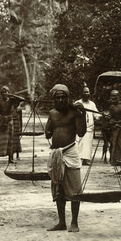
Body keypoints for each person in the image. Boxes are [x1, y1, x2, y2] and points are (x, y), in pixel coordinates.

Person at [45, 84, 87, 232]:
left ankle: (74, 222)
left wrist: (82, 114)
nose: (61, 100)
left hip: (70, 152)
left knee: (75, 189)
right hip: (57, 154)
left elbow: (81, 133)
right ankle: (61, 222)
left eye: (64, 97)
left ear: (68, 98)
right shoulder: (52, 113)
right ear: (54, 99)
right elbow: (48, 134)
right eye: (58, 97)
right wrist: (50, 127)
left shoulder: (74, 113)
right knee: (58, 189)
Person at [0, 86, 16, 164]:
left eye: (6, 91)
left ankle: (10, 158)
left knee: (10, 140)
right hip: (1, 121)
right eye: (3, 92)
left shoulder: (11, 101)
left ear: (9, 92)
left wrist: (12, 96)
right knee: (0, 140)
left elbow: (22, 99)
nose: (4, 93)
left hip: (10, 121)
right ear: (1, 94)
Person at [75, 85, 100, 165]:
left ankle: (86, 159)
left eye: (87, 92)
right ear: (82, 93)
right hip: (79, 127)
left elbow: (96, 114)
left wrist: (99, 116)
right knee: (79, 143)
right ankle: (79, 159)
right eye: (85, 92)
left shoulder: (92, 104)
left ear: (89, 93)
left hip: (89, 128)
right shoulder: (77, 103)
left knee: (87, 144)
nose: (86, 94)